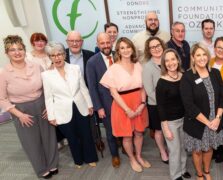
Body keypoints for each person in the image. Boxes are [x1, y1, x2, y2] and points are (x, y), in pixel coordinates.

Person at [0, 35, 58, 179]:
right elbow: (2, 98)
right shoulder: (4, 72)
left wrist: (48, 106)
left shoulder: (36, 66)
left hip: (41, 103)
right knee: (31, 141)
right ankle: (41, 168)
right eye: (12, 50)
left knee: (49, 136)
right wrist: (19, 115)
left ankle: (52, 163)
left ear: (25, 50)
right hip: (20, 110)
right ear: (6, 53)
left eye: (19, 48)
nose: (17, 52)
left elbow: (47, 86)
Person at [42, 42, 98, 168]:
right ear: (49, 58)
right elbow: (48, 97)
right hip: (62, 110)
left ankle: (90, 158)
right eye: (53, 55)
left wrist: (89, 104)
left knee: (86, 134)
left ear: (64, 55)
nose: (57, 58)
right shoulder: (46, 75)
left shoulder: (75, 69)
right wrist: (51, 116)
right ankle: (78, 160)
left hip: (80, 106)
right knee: (72, 137)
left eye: (60, 54)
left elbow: (83, 88)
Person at [100, 37, 150, 173]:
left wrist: (143, 104)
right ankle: (132, 158)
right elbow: (113, 93)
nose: (126, 50)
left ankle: (139, 156)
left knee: (139, 133)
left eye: (128, 47)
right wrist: (127, 109)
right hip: (122, 105)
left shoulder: (138, 65)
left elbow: (143, 87)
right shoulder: (113, 68)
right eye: (122, 48)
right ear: (118, 51)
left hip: (139, 103)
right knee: (127, 135)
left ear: (132, 49)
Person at [180, 43, 223, 180]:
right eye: (198, 55)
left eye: (204, 54)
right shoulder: (187, 77)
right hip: (197, 123)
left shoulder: (215, 73)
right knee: (198, 150)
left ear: (208, 56)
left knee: (209, 148)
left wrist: (217, 118)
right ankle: (199, 174)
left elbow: (222, 98)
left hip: (215, 121)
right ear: (193, 58)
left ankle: (206, 171)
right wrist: (207, 122)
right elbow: (189, 105)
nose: (201, 58)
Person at [156, 49, 191, 180]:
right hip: (170, 122)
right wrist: (165, 128)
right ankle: (175, 175)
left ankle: (182, 169)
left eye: (173, 59)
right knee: (174, 150)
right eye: (167, 60)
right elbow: (160, 107)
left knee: (183, 147)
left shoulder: (184, 76)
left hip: (184, 119)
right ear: (164, 64)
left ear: (178, 60)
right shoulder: (162, 82)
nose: (171, 63)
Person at [86, 32, 121, 168]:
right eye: (102, 43)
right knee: (111, 131)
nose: (106, 45)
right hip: (105, 104)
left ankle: (125, 148)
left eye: (108, 42)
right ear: (97, 44)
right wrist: (98, 107)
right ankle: (115, 155)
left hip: (122, 101)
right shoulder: (92, 62)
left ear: (112, 42)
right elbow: (92, 87)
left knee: (124, 128)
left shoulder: (119, 56)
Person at [142, 37, 169, 164]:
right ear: (149, 50)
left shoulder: (169, 61)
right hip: (156, 105)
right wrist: (163, 103)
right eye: (152, 47)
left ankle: (172, 149)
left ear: (162, 45)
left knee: (171, 128)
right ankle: (163, 151)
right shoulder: (147, 67)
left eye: (158, 45)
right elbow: (149, 90)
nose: (156, 49)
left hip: (173, 104)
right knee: (159, 130)